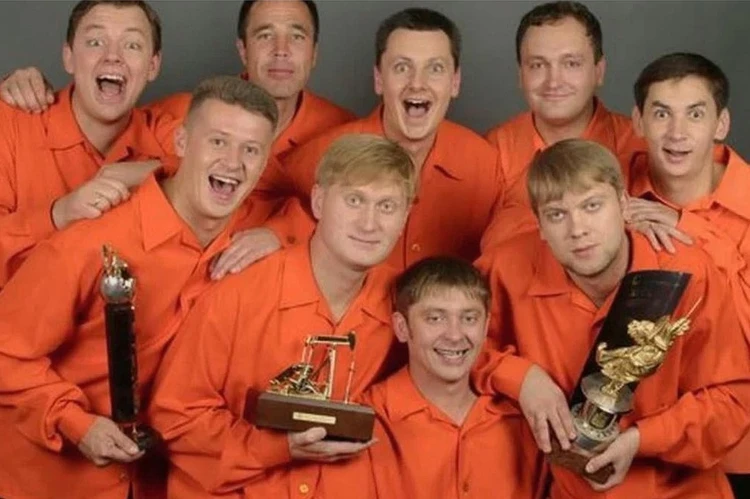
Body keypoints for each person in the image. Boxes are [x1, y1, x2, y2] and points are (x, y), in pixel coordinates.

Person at [0, 75, 278, 499]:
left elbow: (328, 216)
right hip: (51, 482)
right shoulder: (88, 244)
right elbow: (5, 352)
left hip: (153, 482)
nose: (233, 163)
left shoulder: (252, 237)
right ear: (181, 142)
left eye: (251, 150)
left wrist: (279, 235)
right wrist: (75, 422)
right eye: (218, 142)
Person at [473, 139, 750, 498]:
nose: (578, 230)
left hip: (683, 491)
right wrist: (521, 379)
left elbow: (733, 401)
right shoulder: (504, 268)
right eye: (557, 214)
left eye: (592, 206)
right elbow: (446, 347)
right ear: (539, 225)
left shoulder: (688, 272)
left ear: (623, 204)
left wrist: (642, 439)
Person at [147, 133, 417, 498]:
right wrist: (278, 448)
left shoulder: (405, 303)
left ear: (404, 218)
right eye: (354, 200)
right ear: (318, 202)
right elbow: (176, 415)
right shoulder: (237, 293)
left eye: (387, 206)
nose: (369, 224)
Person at [226, 7, 504, 271]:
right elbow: (258, 207)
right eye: (401, 67)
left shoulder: (485, 164)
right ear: (378, 79)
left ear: (455, 82)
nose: (417, 83)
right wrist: (280, 232)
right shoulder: (322, 153)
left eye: (435, 69)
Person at [625, 51, 750, 498]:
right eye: (662, 114)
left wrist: (686, 228)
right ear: (638, 121)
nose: (677, 133)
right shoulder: (613, 194)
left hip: (739, 452)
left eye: (695, 114)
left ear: (721, 124)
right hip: (637, 451)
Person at [0, 0, 178, 287]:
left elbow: (232, 175)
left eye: (132, 45)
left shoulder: (165, 131)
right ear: (69, 57)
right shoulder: (10, 123)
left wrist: (150, 171)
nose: (113, 57)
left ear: (153, 65)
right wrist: (58, 214)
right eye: (96, 42)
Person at [364, 256, 543, 499]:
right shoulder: (368, 422)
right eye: (435, 318)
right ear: (402, 327)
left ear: (486, 326)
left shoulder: (523, 421)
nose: (455, 335)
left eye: (469, 318)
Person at [481, 1, 643, 250]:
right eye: (537, 65)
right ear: (520, 75)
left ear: (599, 71)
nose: (553, 82)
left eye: (571, 63)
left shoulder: (641, 147)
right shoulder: (491, 152)